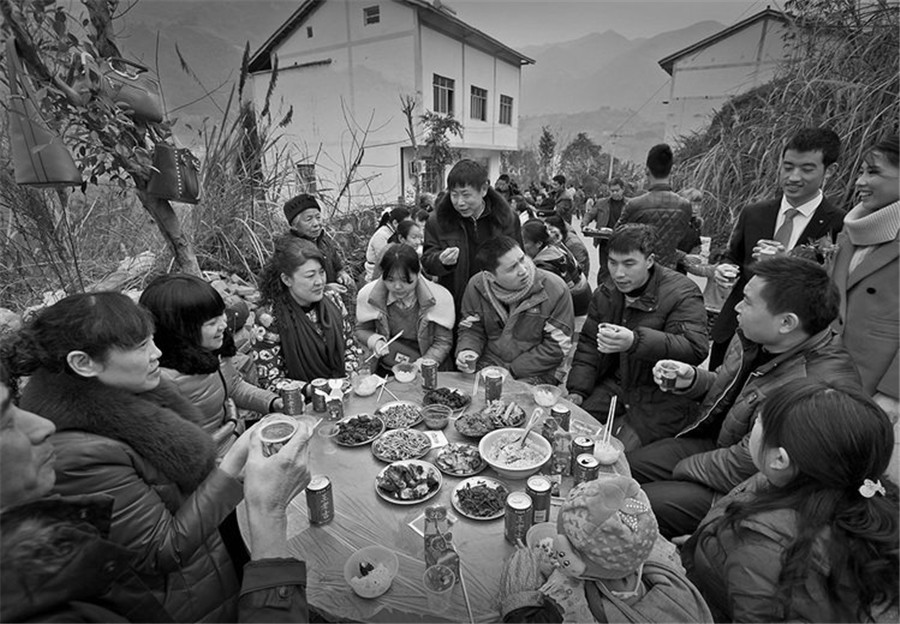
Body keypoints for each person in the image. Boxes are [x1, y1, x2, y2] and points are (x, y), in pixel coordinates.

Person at [1, 292, 249, 622]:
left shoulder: (140, 393)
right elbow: (160, 551)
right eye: (140, 346)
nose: (157, 353)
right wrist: (232, 469)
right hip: (182, 603)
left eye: (152, 340)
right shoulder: (76, 451)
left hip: (212, 574)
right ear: (83, 363)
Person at [0, 364, 314, 622]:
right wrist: (267, 512)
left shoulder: (39, 548)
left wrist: (235, 462)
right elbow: (159, 550)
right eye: (5, 421)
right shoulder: (83, 451)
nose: (44, 426)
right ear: (83, 363)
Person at [628, 256, 860, 538]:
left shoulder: (812, 390)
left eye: (748, 301)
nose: (737, 306)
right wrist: (693, 380)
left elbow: (749, 465)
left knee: (639, 504)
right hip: (721, 445)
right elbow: (742, 390)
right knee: (628, 467)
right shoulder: (759, 337)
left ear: (786, 322)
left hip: (759, 491)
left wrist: (679, 469)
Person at [681, 380, 899, 622]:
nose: (754, 426)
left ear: (780, 459)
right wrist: (712, 543)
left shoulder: (762, 553)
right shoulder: (858, 490)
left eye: (759, 422)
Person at [708, 128, 846, 371]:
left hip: (789, 346)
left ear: (830, 171)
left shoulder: (839, 225)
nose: (793, 177)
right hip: (735, 332)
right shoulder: (754, 213)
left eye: (807, 169)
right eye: (788, 166)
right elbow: (733, 257)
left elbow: (832, 289)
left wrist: (788, 262)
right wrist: (723, 269)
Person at [566, 225, 708, 450]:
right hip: (616, 385)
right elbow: (588, 345)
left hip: (659, 395)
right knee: (569, 430)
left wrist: (635, 341)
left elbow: (695, 348)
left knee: (614, 453)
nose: (619, 273)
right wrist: (577, 390)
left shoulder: (682, 292)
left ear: (649, 260)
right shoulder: (605, 293)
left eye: (629, 263)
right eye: (613, 262)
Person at [499, 473, 713, 623]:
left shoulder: (569, 603)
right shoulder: (660, 555)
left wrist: (519, 598)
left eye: (566, 542)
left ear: (575, 563)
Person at [139, 274, 281, 457]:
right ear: (179, 331)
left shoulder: (214, 350)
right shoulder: (163, 380)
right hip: (211, 462)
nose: (223, 325)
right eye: (212, 323)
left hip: (236, 440)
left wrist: (272, 402)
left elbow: (234, 387)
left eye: (221, 315)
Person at [830, 134, 899, 475]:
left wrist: (892, 395)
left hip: (874, 384)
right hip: (830, 371)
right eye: (860, 171)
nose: (860, 182)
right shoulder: (853, 230)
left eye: (873, 173)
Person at [456, 236, 574, 385]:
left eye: (522, 259)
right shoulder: (476, 285)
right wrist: (468, 350)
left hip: (539, 370)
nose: (523, 270)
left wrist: (513, 370)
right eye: (512, 268)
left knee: (517, 401)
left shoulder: (555, 288)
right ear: (490, 276)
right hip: (491, 363)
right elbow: (471, 328)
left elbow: (557, 346)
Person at [251, 235, 361, 392]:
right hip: (301, 405)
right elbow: (269, 379)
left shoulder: (333, 299)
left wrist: (345, 379)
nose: (319, 282)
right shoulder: (269, 319)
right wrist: (312, 390)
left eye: (321, 272)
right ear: (287, 280)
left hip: (342, 391)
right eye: (310, 276)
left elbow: (350, 347)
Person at [421, 159, 522, 313]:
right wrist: (441, 260)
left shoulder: (506, 219)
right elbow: (428, 262)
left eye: (466, 195)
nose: (460, 202)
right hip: (456, 304)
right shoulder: (438, 221)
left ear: (484, 189)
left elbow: (520, 260)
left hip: (498, 302)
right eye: (454, 195)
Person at [356, 244, 455, 373]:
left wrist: (424, 363)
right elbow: (362, 329)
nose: (397, 286)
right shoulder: (371, 295)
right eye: (390, 280)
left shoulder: (438, 297)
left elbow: (443, 341)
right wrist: (376, 341)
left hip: (427, 367)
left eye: (405, 280)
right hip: (389, 366)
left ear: (418, 273)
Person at [615, 144, 692, 270]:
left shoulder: (635, 205)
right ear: (671, 170)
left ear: (646, 170)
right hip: (668, 273)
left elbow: (617, 238)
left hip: (639, 273)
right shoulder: (685, 206)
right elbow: (680, 239)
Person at [283, 193, 354, 298]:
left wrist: (342, 274)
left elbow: (338, 267)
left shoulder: (324, 241)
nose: (316, 223)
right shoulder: (291, 250)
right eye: (309, 219)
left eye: (318, 217)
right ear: (294, 226)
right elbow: (291, 287)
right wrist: (325, 288)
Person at [522, 219, 592, 317]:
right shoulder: (555, 247)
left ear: (538, 243)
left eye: (525, 243)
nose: (522, 247)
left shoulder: (545, 265)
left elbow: (545, 300)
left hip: (576, 305)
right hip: (584, 297)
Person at [584, 178, 629, 284]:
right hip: (605, 241)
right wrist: (584, 224)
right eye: (612, 190)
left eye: (617, 190)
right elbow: (590, 214)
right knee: (604, 268)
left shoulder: (630, 204)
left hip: (622, 242)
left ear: (623, 189)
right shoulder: (601, 203)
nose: (614, 193)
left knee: (620, 269)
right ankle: (601, 292)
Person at [363, 206, 410, 282]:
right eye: (405, 224)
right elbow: (385, 259)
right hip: (377, 273)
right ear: (395, 223)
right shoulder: (381, 235)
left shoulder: (393, 232)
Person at [546, 214, 590, 278]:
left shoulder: (574, 244)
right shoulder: (560, 239)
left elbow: (582, 268)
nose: (548, 233)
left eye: (551, 230)